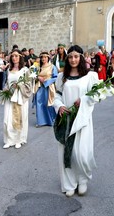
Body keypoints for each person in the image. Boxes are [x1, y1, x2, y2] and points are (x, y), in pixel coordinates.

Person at [53, 45, 99, 198]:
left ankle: (82, 180)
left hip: (82, 120)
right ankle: (69, 183)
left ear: (80, 58)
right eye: (70, 57)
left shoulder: (90, 76)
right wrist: (59, 106)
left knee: (81, 153)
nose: (73, 59)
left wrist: (84, 99)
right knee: (66, 153)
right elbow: (57, 96)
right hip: (66, 119)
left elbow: (96, 96)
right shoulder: (62, 77)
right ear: (67, 59)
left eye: (76, 56)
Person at [3, 49, 32, 149]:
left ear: (20, 57)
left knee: (20, 118)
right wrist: (6, 90)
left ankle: (19, 139)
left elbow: (28, 85)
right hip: (10, 97)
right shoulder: (8, 70)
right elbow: (7, 83)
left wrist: (19, 85)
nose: (14, 58)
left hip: (20, 97)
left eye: (16, 56)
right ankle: (9, 140)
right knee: (7, 119)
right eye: (12, 56)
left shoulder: (25, 70)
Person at [33, 51, 58, 127]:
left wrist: (47, 81)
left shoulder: (52, 67)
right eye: (42, 57)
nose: (43, 59)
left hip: (48, 87)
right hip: (39, 87)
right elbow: (33, 75)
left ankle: (50, 120)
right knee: (39, 103)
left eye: (45, 57)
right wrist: (38, 77)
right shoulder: (38, 67)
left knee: (49, 104)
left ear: (48, 58)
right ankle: (41, 121)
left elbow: (55, 77)